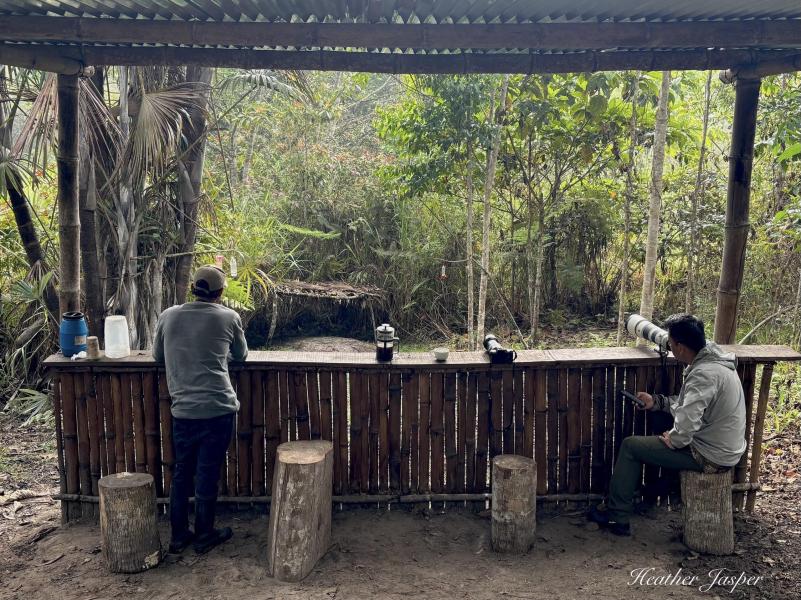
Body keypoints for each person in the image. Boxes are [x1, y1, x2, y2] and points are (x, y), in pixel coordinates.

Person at [589, 313, 746, 536]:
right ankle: (649, 496)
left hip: (710, 455)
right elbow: (689, 405)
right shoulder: (714, 358)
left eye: (671, 344)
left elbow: (688, 422)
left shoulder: (703, 375)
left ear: (681, 347)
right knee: (653, 429)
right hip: (724, 447)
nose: (669, 347)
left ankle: (617, 517)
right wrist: (657, 402)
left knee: (631, 447)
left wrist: (674, 440)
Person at [153, 265, 248, 554]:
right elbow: (241, 355)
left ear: (193, 288)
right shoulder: (229, 317)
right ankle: (205, 534)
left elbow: (158, 356)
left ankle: (179, 535)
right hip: (219, 408)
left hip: (183, 410)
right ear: (220, 293)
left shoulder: (168, 316)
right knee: (207, 473)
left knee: (182, 474)